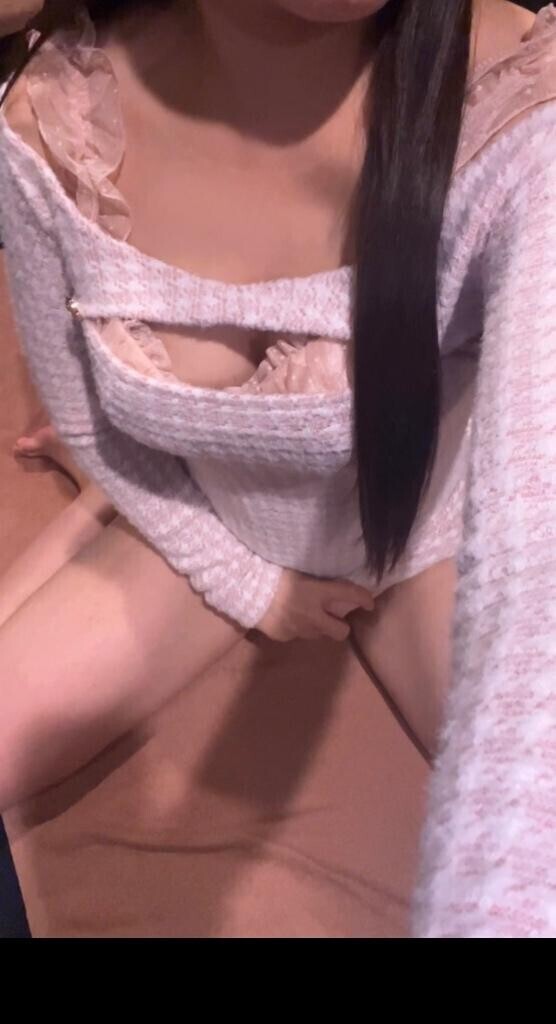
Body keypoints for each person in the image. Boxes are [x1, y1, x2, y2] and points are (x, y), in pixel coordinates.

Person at [0, 0, 554, 938]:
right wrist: (250, 583)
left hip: (425, 530)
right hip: (221, 526)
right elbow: (96, 429)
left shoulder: (518, 105)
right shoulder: (54, 126)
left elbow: (533, 538)